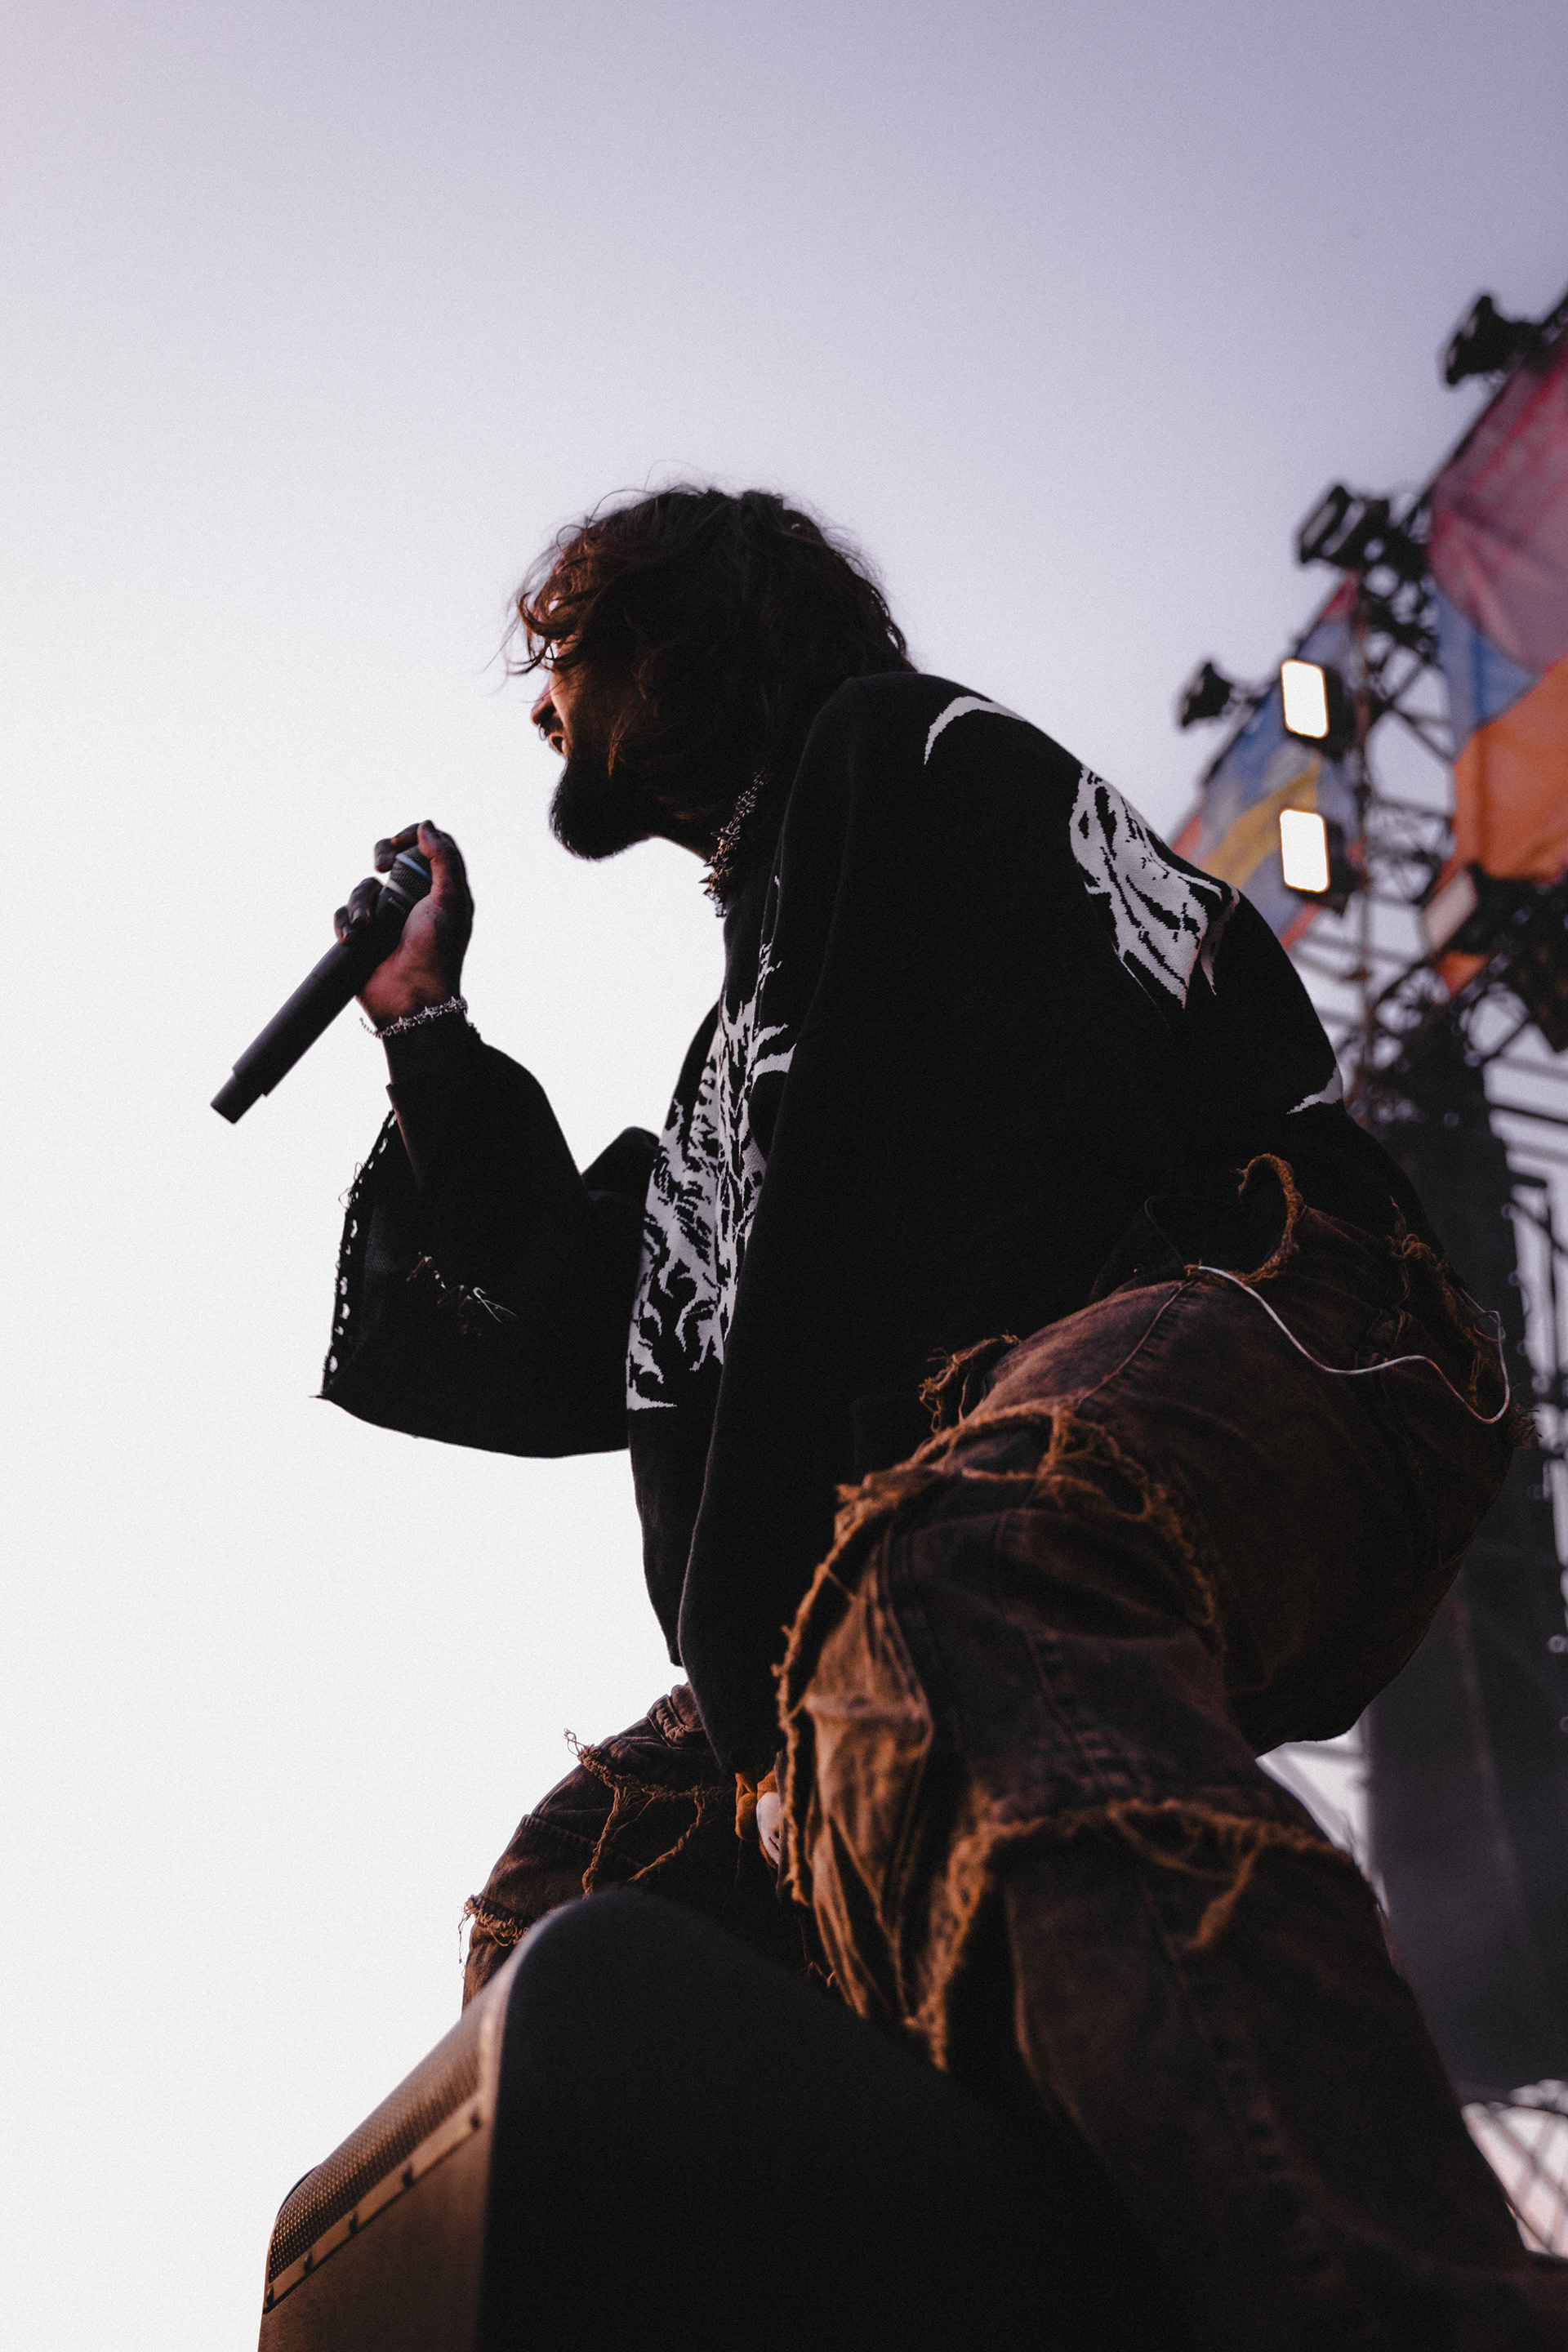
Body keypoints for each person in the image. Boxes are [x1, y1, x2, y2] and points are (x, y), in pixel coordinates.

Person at [319, 486, 1561, 2345]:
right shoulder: (745, 1041)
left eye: (569, 648)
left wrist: (806, 1662)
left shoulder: (904, 760)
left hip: (1294, 1316)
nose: (544, 698)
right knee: (593, 1892)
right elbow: (616, 1314)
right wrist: (426, 1027)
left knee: (949, 1574)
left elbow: (969, 1182)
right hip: (968, 1467)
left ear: (684, 638)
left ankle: (1404, 2307)